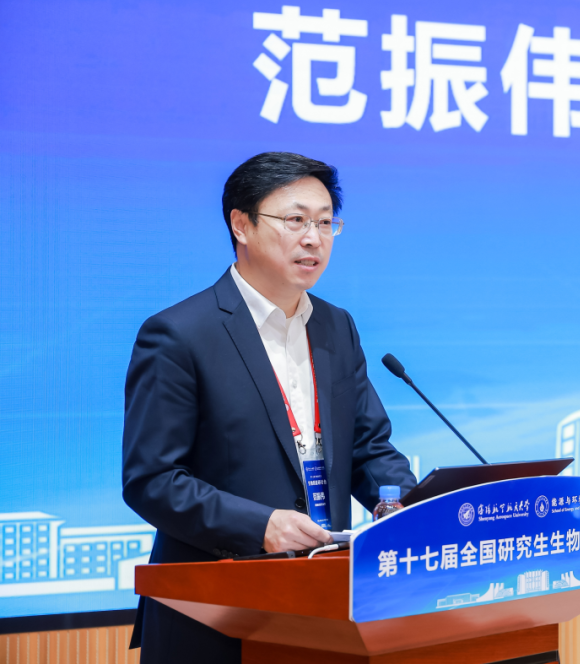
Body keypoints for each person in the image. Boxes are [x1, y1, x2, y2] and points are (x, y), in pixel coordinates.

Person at [122, 152, 417, 663]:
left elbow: (368, 449)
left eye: (325, 222)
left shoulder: (336, 326)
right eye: (296, 220)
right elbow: (152, 480)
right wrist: (260, 525)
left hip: (323, 605)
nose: (314, 238)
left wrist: (413, 510)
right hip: (215, 613)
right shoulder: (179, 334)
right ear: (241, 225)